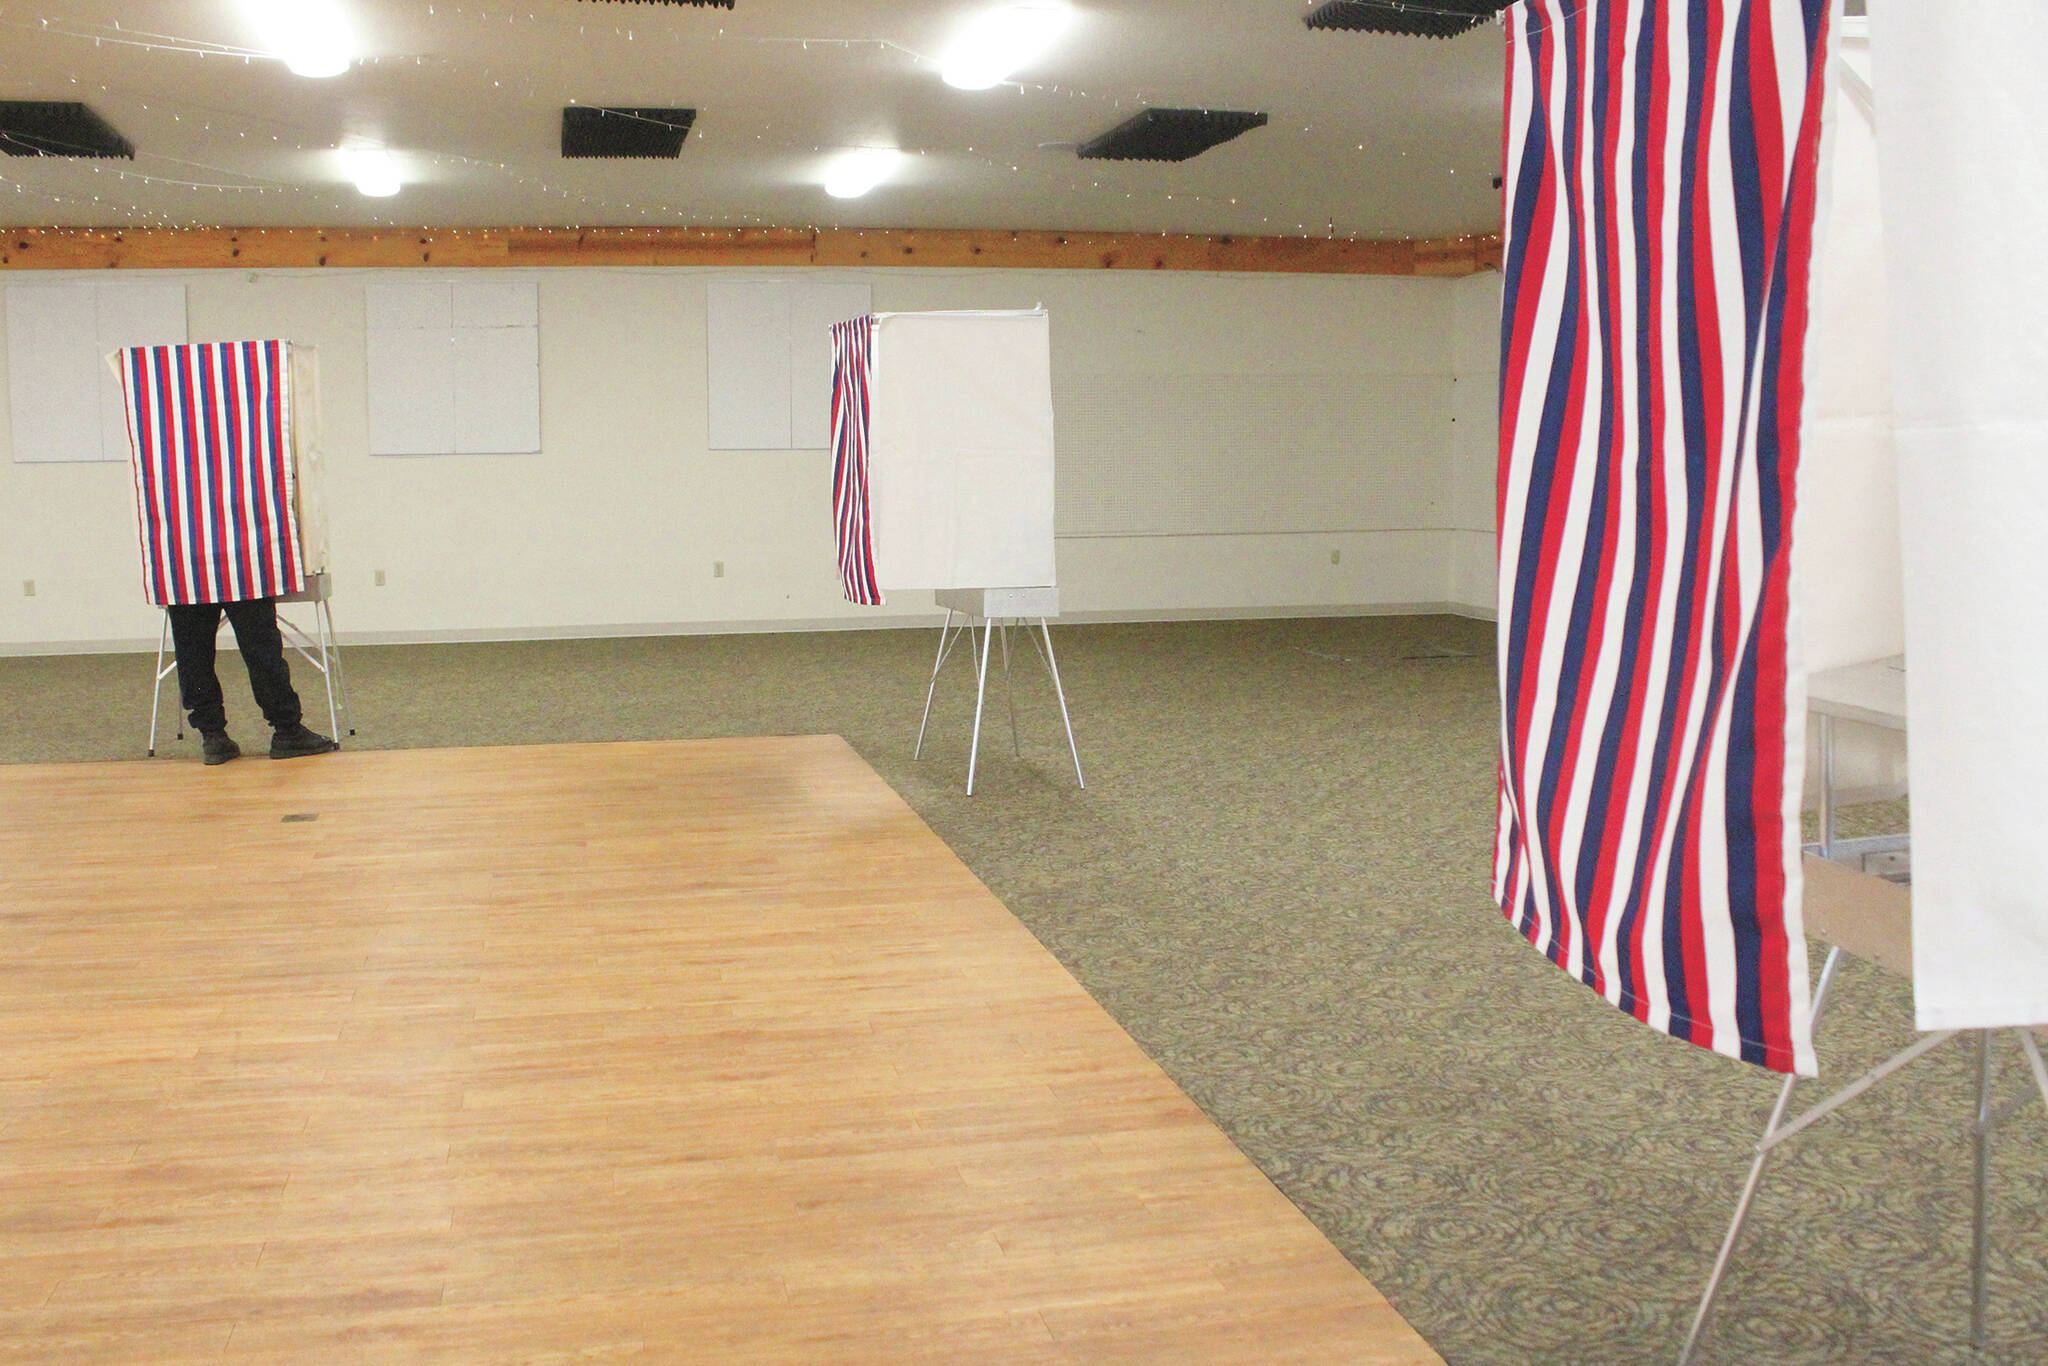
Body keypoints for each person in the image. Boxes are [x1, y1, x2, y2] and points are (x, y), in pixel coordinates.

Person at [166, 598, 339, 765]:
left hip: (188, 575)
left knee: (194, 654)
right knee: (261, 648)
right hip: (242, 573)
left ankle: (212, 735)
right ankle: (287, 729)